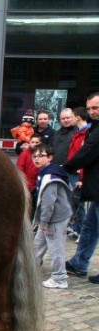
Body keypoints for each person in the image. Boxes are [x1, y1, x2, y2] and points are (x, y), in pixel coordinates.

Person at [64, 93, 99, 284]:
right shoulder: (94, 128)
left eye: (96, 108)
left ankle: (79, 263)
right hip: (95, 190)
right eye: (90, 108)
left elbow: (88, 152)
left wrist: (66, 168)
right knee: (89, 228)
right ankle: (79, 263)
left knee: (91, 228)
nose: (92, 112)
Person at [32, 144, 72, 289]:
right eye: (34, 156)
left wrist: (43, 222)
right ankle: (30, 270)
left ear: (49, 158)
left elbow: (48, 203)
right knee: (37, 245)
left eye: (41, 156)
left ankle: (59, 278)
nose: (36, 159)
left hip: (54, 219)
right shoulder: (46, 172)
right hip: (52, 218)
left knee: (56, 248)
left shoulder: (49, 176)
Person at [66, 106, 91, 239]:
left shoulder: (87, 134)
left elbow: (84, 157)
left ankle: (82, 231)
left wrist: (82, 178)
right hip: (73, 173)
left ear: (78, 117)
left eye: (72, 116)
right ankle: (76, 228)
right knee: (74, 203)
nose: (70, 119)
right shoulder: (78, 133)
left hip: (79, 175)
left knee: (79, 204)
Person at [17, 135, 42, 214]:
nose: (34, 144)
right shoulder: (24, 154)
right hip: (28, 185)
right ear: (29, 143)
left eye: (37, 142)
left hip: (38, 185)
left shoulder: (43, 155)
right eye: (32, 142)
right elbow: (20, 169)